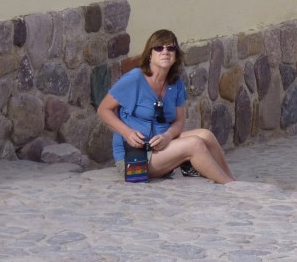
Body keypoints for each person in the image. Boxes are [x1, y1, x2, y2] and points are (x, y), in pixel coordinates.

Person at [97, 29, 235, 184]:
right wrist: (127, 133)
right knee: (194, 144)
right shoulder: (135, 79)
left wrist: (167, 136)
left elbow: (179, 121)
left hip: (160, 145)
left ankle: (233, 179)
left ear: (176, 56)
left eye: (171, 48)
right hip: (135, 156)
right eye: (159, 48)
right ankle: (230, 186)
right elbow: (103, 109)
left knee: (206, 136)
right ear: (150, 53)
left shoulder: (175, 84)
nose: (165, 52)